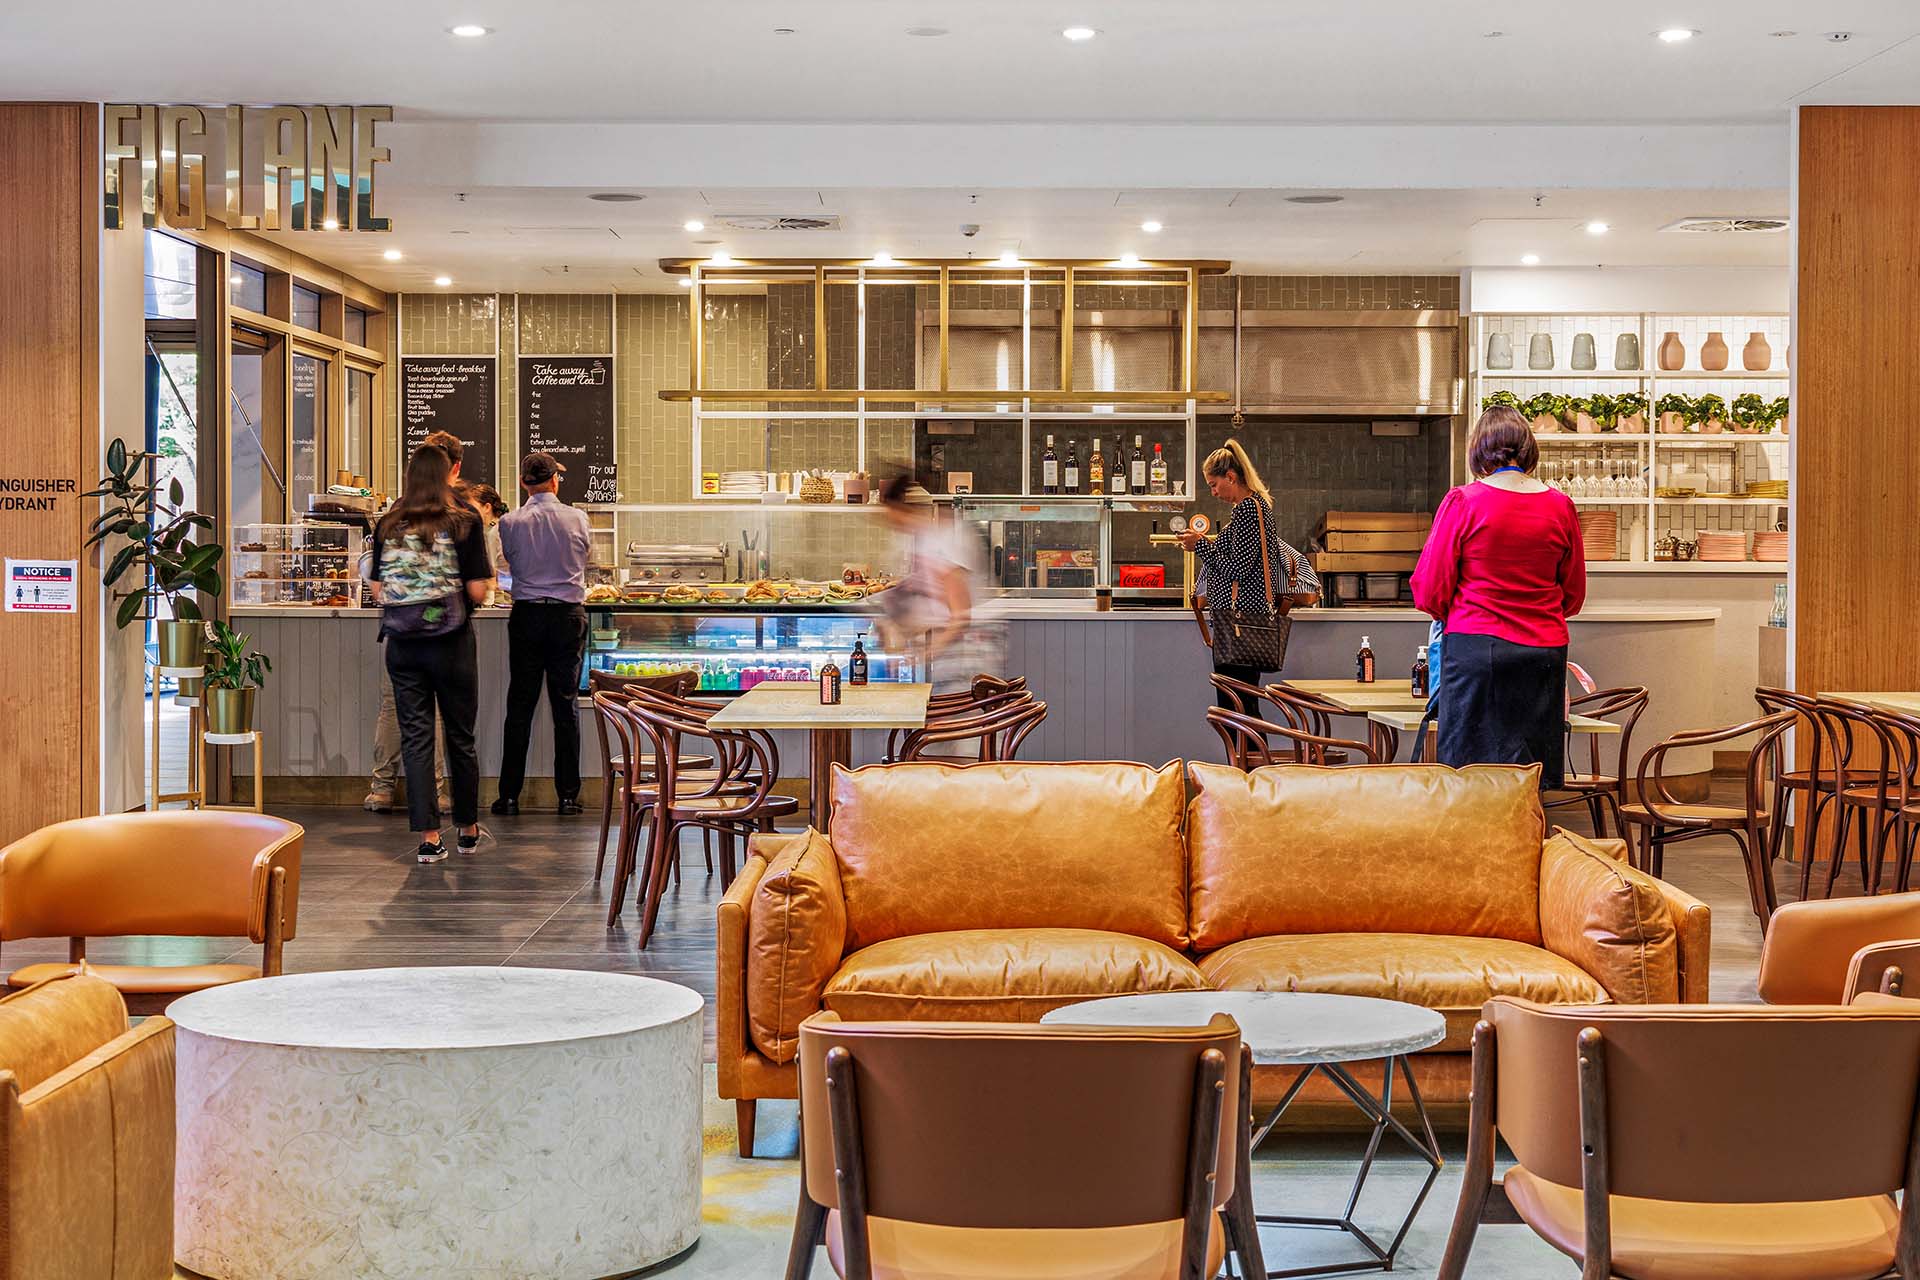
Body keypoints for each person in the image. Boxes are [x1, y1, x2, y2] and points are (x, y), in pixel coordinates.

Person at [1411, 405, 1586, 787]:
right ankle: (1526, 843)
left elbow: (1429, 590)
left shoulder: (1463, 501)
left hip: (1476, 649)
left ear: (1478, 452)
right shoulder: (1561, 506)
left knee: (1470, 772)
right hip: (1543, 652)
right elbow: (1573, 595)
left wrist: (1457, 612)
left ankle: (1473, 846)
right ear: (1528, 450)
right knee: (1529, 773)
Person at [369, 443, 494, 862]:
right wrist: (461, 598)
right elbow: (478, 588)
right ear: (448, 476)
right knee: (460, 737)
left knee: (417, 739)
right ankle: (469, 829)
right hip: (452, 643)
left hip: (403, 647)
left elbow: (377, 590)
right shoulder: (464, 521)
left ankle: (428, 839)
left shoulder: (387, 523)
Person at [1176, 439, 1319, 706]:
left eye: (1214, 484)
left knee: (1237, 709)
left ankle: (1248, 750)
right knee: (1241, 707)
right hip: (1238, 621)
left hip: (1239, 622)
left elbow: (1238, 569)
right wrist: (1205, 543)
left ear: (1230, 476)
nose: (1214, 492)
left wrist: (1201, 546)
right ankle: (1245, 750)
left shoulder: (1248, 510)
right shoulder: (1253, 508)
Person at [492, 452, 593, 816]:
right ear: (554, 480)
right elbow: (584, 559)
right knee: (564, 705)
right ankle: (568, 796)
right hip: (567, 616)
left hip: (527, 616)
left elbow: (508, 566)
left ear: (524, 483)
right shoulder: (578, 518)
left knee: (519, 706)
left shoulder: (509, 522)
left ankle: (508, 796)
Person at [876, 474, 1001, 694]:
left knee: (953, 725)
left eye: (892, 516)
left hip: (966, 654)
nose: (892, 524)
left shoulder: (944, 541)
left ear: (904, 510)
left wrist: (923, 654)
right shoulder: (923, 541)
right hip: (950, 650)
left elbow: (960, 617)